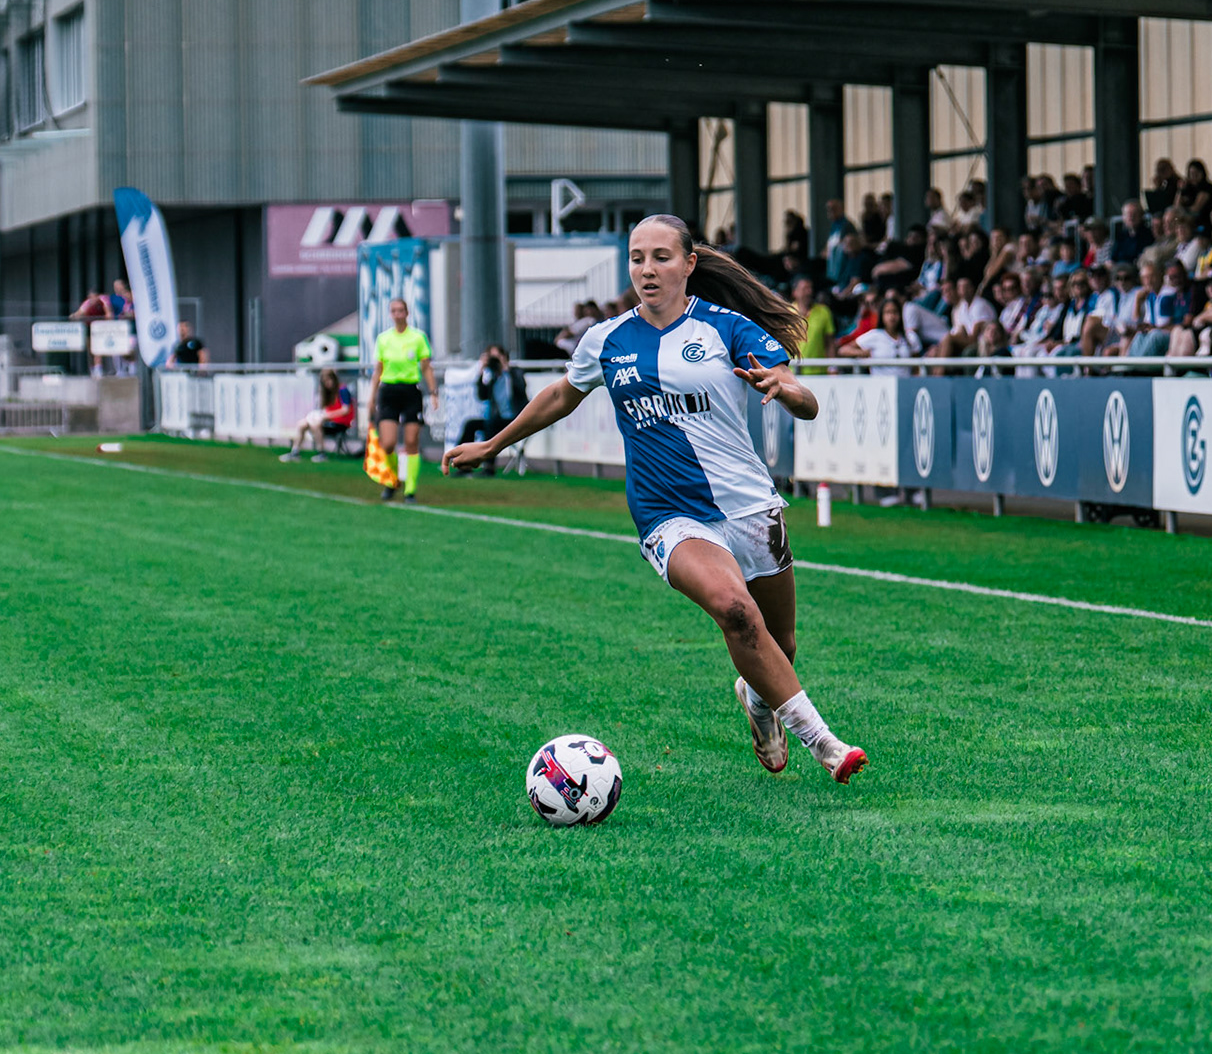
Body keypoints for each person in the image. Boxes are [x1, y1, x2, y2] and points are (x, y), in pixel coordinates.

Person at [442, 214, 868, 785]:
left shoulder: (727, 328)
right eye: (637, 257)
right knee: (735, 611)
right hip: (668, 513)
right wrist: (493, 443)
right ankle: (827, 745)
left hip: (748, 507)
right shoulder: (607, 338)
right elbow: (560, 396)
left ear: (689, 265)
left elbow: (804, 398)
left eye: (661, 257)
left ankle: (760, 700)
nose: (647, 268)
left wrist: (786, 389)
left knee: (779, 641)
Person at [370, 298, 439, 501]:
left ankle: (410, 489)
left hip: (410, 391)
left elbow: (426, 367)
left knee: (411, 441)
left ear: (407, 313)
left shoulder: (418, 337)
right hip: (389, 391)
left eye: (401, 310)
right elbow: (378, 370)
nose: (398, 314)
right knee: (388, 443)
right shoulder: (384, 339)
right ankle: (393, 480)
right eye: (394, 310)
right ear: (390, 314)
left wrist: (433, 392)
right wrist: (372, 396)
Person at [455, 345, 527, 475]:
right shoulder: (492, 377)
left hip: (515, 419)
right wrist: (481, 372)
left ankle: (489, 467)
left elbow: (521, 390)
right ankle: (463, 465)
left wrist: (506, 370)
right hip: (496, 419)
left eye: (497, 358)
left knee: (491, 423)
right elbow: (481, 396)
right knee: (470, 424)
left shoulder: (515, 373)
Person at [280, 368, 356, 462]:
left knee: (315, 424)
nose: (327, 383)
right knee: (302, 424)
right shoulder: (326, 393)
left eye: (329, 380)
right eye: (325, 381)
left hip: (340, 422)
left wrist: (327, 415)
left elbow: (345, 410)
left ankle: (322, 453)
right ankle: (295, 452)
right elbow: (324, 410)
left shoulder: (342, 390)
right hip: (328, 420)